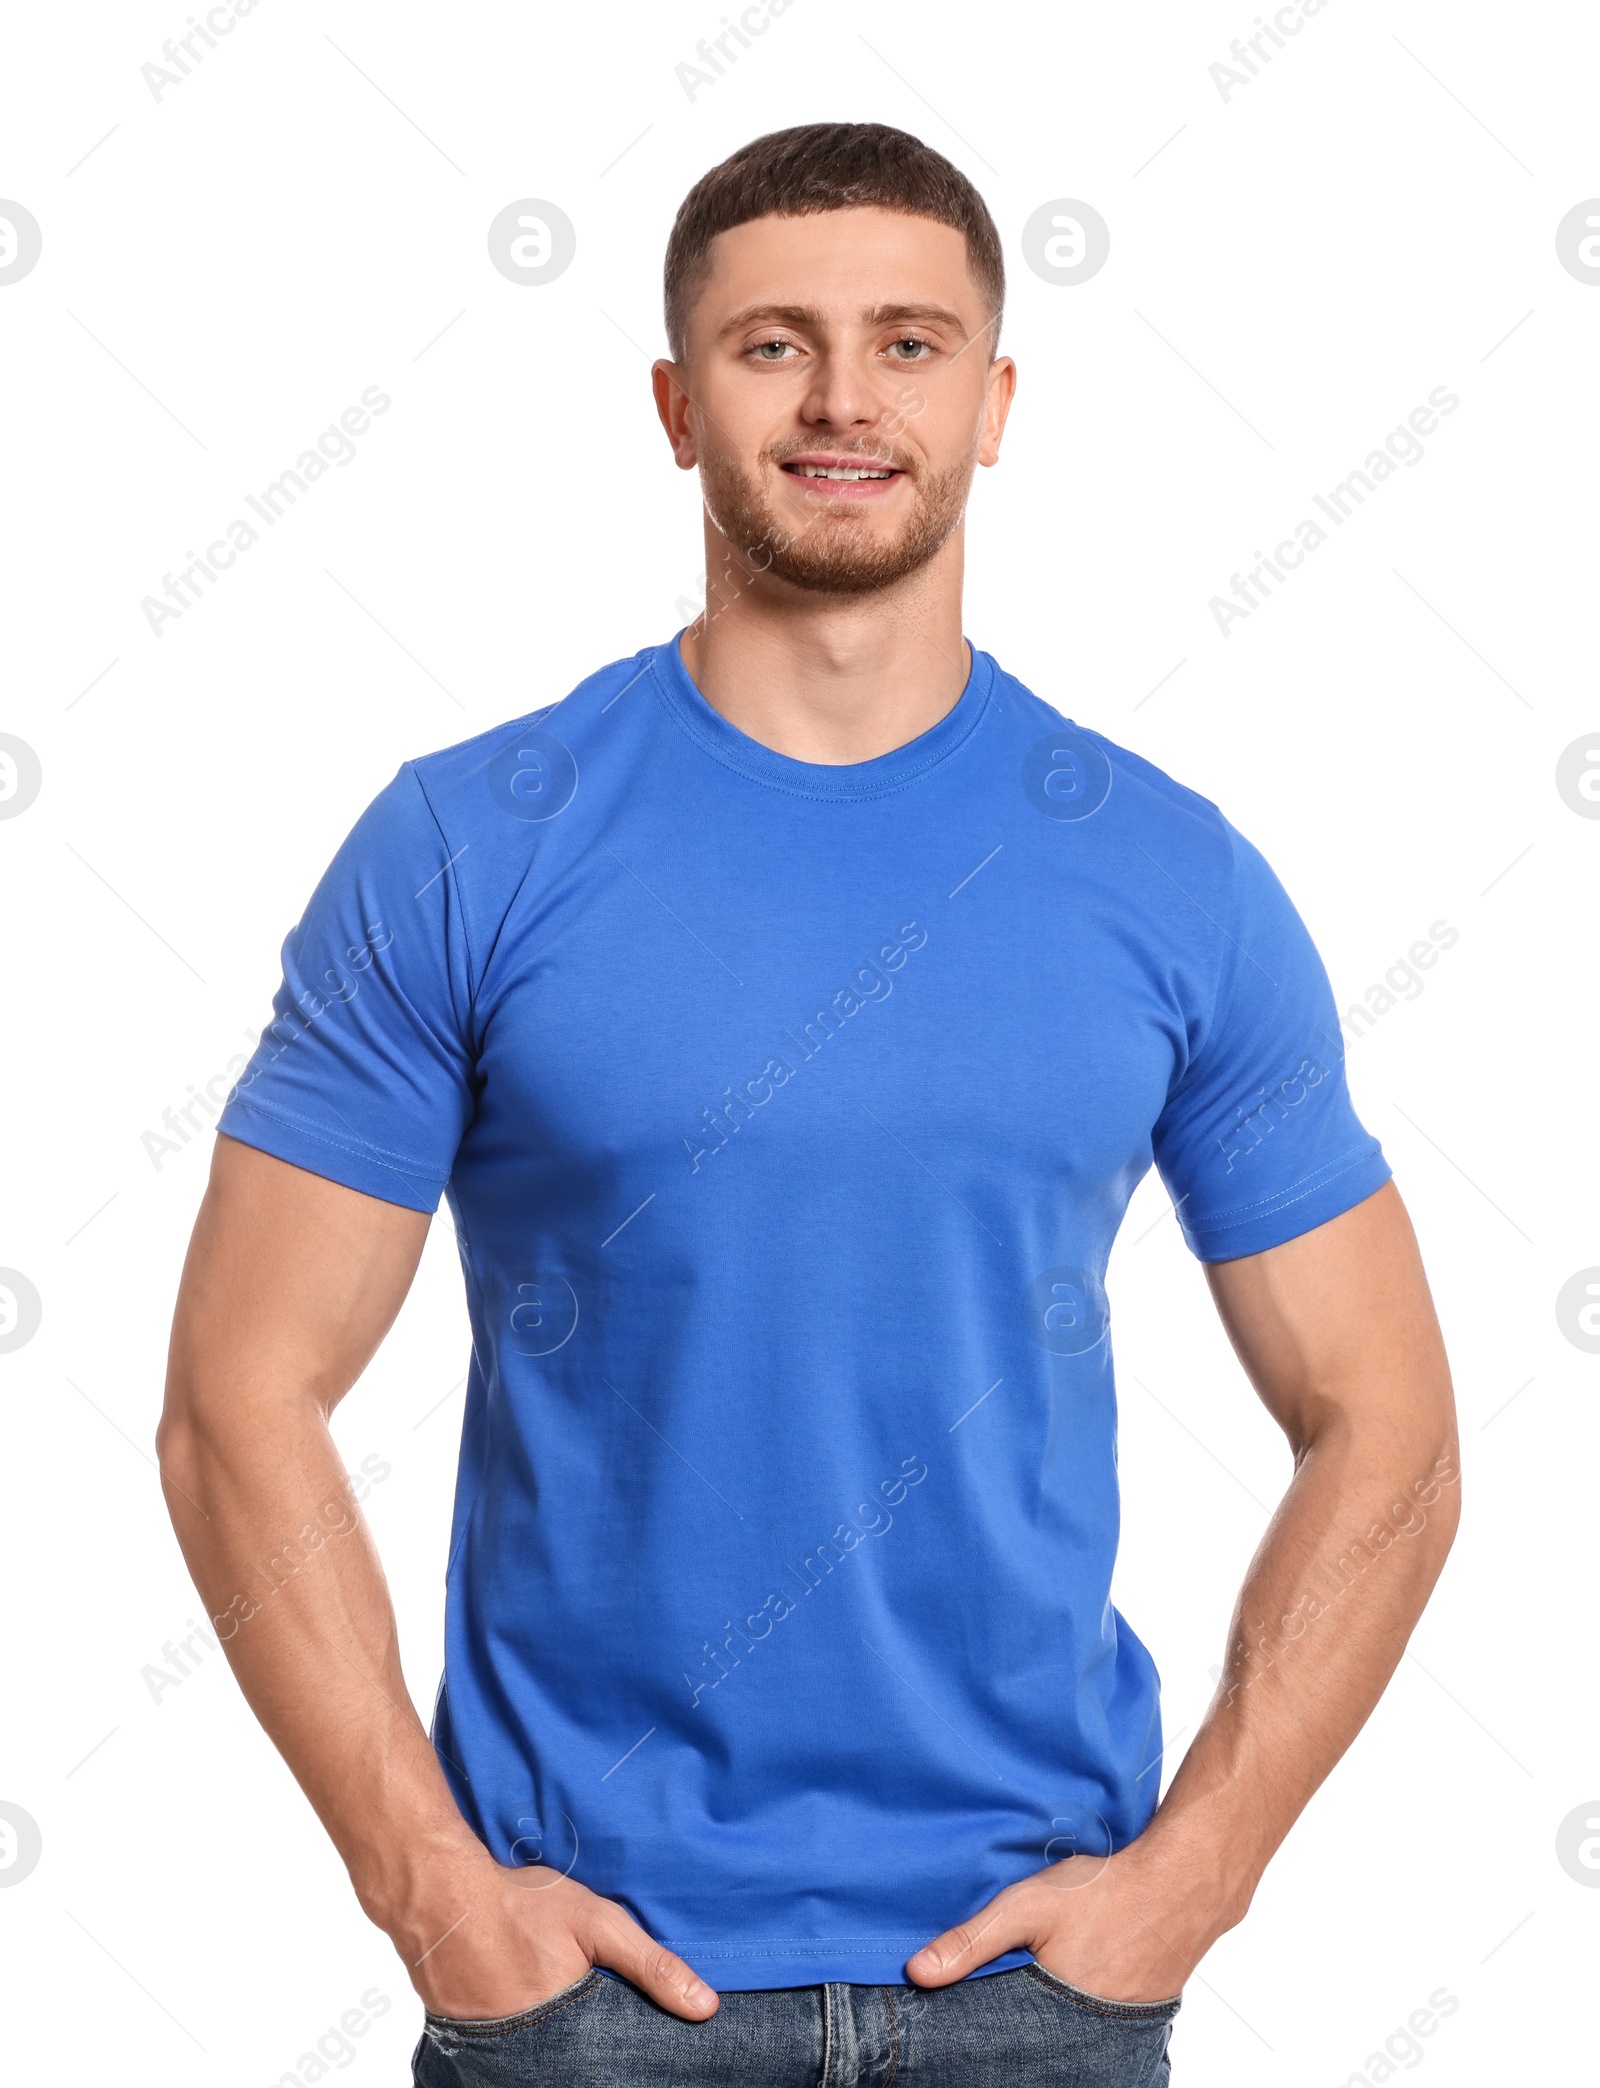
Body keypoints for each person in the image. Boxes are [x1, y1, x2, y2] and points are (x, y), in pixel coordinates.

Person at [157, 122, 1459, 2087]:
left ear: (995, 402)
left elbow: (1388, 1428)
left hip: (1033, 1982)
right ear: (675, 406)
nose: (845, 396)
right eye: (773, 345)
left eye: (909, 344)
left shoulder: (1166, 875)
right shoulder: (467, 848)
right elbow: (230, 1402)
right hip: (588, 1992)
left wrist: (1192, 1877)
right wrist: (431, 1892)